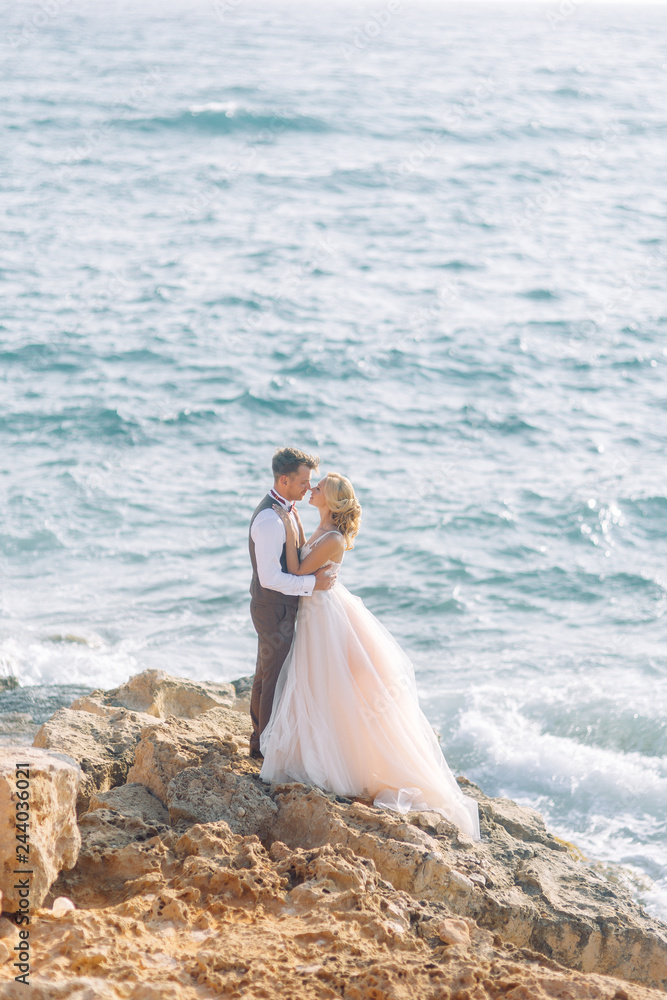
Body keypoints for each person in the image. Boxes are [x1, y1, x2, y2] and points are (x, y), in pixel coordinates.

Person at [259, 471, 480, 841]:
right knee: (314, 682)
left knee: (327, 683)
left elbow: (297, 569)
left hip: (325, 615)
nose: (311, 490)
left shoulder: (332, 538)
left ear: (330, 500)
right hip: (316, 612)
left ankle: (332, 759)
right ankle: (312, 751)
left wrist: (284, 534)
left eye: (318, 489)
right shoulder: (319, 528)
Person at [248, 447, 333, 759]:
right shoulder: (270, 518)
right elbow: (270, 577)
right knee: (273, 679)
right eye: (303, 482)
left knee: (266, 676)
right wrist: (314, 584)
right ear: (284, 480)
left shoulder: (287, 510)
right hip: (273, 607)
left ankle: (259, 743)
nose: (308, 487)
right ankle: (266, 749)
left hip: (278, 607)